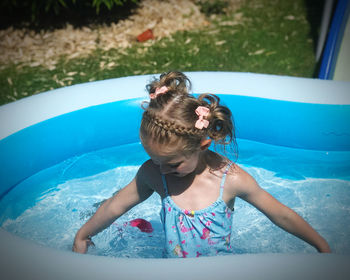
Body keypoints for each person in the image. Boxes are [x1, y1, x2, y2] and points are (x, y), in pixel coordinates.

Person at [73, 71, 331, 257]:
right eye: (155, 160)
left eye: (172, 164)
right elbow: (114, 206)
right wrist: (83, 234)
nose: (162, 169)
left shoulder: (230, 179)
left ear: (202, 145)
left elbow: (280, 213)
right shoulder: (154, 174)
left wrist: (321, 245)